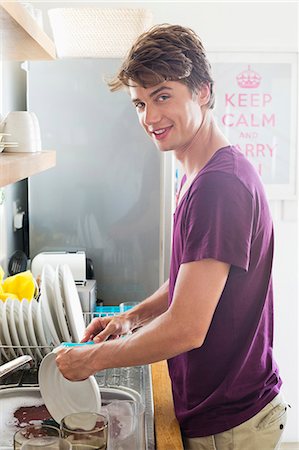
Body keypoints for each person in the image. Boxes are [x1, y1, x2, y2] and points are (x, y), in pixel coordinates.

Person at [55, 24, 288, 450]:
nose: (149, 118)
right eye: (139, 103)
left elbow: (186, 329)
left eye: (162, 96)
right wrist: (132, 317)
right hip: (218, 405)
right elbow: (190, 279)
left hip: (229, 422)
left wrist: (92, 360)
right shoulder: (196, 173)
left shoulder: (220, 186)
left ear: (202, 91)